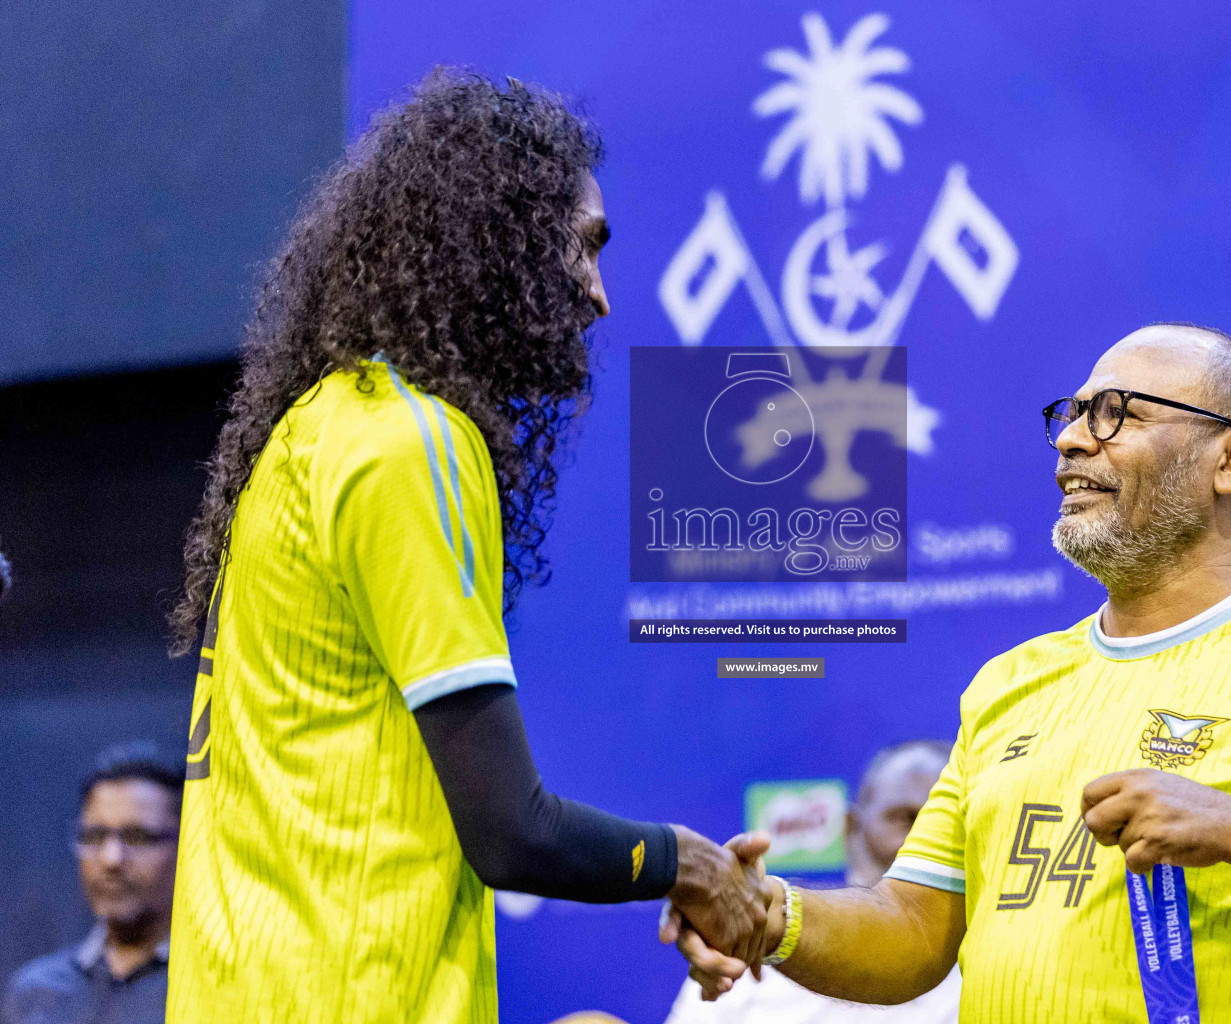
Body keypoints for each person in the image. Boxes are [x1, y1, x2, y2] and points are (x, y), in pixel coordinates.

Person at [672, 323, 1231, 1023]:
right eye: (1071, 414)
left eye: (1117, 415)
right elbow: (914, 932)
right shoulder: (1011, 683)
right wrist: (771, 914)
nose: (1072, 438)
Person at [164, 69, 768, 1024]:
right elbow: (512, 831)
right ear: (497, 244)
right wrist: (689, 864)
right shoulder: (413, 441)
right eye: (583, 249)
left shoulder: (308, 435)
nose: (599, 297)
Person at [664, 740, 961, 1024]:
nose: (927, 845)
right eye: (908, 819)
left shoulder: (986, 960)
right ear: (850, 826)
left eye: (946, 829)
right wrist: (742, 910)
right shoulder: (753, 945)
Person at [2, 743, 183, 1024]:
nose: (112, 859)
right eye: (95, 837)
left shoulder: (213, 988)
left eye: (138, 836)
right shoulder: (34, 991)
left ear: (185, 847)